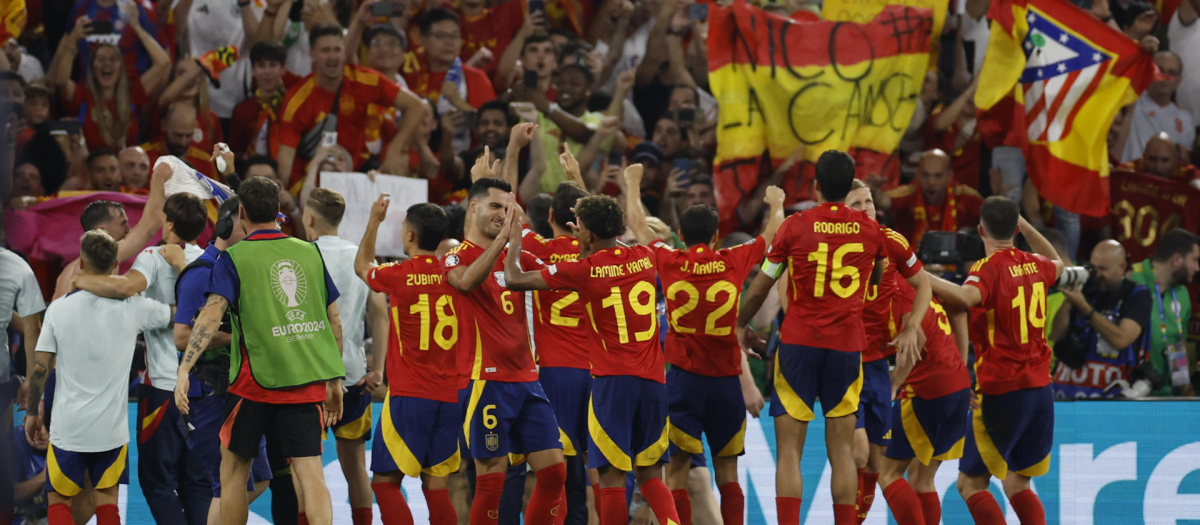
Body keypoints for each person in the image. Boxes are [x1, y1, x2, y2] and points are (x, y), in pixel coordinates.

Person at [736, 150, 920, 525]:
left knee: (789, 451)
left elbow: (761, 286)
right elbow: (881, 268)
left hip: (799, 346)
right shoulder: (871, 230)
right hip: (846, 349)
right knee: (842, 452)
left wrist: (740, 325)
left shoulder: (794, 226)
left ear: (816, 186)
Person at [501, 179, 682, 525]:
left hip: (613, 384)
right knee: (651, 478)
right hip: (655, 383)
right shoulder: (645, 257)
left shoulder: (582, 270)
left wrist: (513, 241)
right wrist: (588, 240)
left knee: (610, 480)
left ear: (589, 234)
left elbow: (513, 278)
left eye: (580, 228)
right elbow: (608, 258)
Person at [174, 176, 346, 525]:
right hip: (305, 381)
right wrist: (335, 381)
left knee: (234, 470)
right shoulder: (309, 252)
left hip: (255, 385)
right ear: (279, 211)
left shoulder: (233, 258)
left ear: (241, 214)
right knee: (311, 474)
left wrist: (183, 369)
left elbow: (210, 315)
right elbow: (334, 321)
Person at [624, 162, 785, 525]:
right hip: (726, 382)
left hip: (683, 381)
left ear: (679, 232)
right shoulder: (734, 259)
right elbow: (772, 234)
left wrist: (632, 184)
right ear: (716, 237)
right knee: (728, 474)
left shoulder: (668, 259)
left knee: (678, 470)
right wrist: (775, 203)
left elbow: (636, 225)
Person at [70, 192, 211, 525]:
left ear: (170, 223)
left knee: (158, 482)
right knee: (197, 483)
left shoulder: (153, 257)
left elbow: (126, 287)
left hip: (162, 389)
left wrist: (84, 280)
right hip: (203, 389)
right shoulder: (208, 260)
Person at [926, 196, 1065, 525]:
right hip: (1040, 391)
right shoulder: (1036, 264)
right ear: (1017, 229)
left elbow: (964, 297)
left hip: (1003, 390)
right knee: (1018, 482)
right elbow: (1056, 260)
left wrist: (916, 271)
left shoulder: (986, 270)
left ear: (980, 230)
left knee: (970, 484)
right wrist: (1023, 224)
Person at [24, 229, 174, 525]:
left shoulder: (59, 309)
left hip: (68, 428)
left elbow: (41, 368)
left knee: (59, 501)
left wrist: (32, 412)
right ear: (116, 264)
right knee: (106, 502)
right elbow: (177, 315)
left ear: (80, 263)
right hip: (111, 430)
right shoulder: (135, 308)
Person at [442, 177, 567, 525]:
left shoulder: (520, 257)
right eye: (495, 206)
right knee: (492, 478)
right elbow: (465, 282)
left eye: (508, 207)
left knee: (555, 471)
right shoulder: (456, 255)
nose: (502, 213)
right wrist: (502, 241)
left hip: (528, 380)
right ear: (474, 207)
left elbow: (566, 269)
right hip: (486, 382)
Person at [355, 196, 461, 525]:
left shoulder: (398, 274)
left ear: (411, 236)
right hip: (450, 396)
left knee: (385, 484)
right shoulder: (457, 275)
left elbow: (362, 266)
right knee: (437, 486)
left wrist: (374, 220)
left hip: (409, 397)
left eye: (402, 229)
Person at [172, 193, 276, 525]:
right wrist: (240, 340)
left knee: (260, 478)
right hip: (207, 395)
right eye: (247, 227)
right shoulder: (201, 273)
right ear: (228, 224)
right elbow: (183, 335)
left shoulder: (239, 267)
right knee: (225, 487)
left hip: (234, 392)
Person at [842, 179, 933, 522]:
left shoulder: (892, 241)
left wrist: (912, 327)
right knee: (859, 453)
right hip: (845, 362)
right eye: (857, 203)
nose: (866, 208)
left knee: (877, 464)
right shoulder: (833, 245)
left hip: (878, 364)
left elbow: (922, 283)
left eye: (868, 201)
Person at [302, 188, 389, 525]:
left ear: (309, 218)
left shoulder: (300, 255)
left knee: (305, 469)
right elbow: (380, 315)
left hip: (307, 377)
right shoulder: (362, 259)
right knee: (355, 470)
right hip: (353, 374)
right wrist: (377, 368)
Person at [514, 179, 594, 525]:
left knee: (558, 465)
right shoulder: (601, 254)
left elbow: (511, 212)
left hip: (555, 372)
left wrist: (512, 152)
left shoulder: (539, 250)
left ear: (550, 215)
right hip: (596, 370)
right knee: (598, 468)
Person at [277, 23, 426, 186]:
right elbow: (286, 160)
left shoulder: (363, 79)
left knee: (397, 169)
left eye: (337, 49)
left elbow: (417, 106)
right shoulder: (297, 99)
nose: (332, 56)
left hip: (358, 172)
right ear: (312, 54)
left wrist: (394, 151)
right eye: (325, 50)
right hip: (313, 178)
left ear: (344, 52)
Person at [877, 299, 972, 525]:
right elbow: (960, 313)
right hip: (956, 385)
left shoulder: (897, 287)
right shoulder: (927, 288)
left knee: (886, 471)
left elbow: (918, 338)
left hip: (927, 389)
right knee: (921, 479)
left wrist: (894, 382)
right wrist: (957, 371)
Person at [51, 163, 169, 301]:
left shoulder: (65, 274)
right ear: (102, 231)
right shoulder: (103, 257)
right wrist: (158, 178)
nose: (129, 230)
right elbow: (150, 226)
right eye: (123, 224)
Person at [1049, 240, 1152, 398]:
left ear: (1122, 267)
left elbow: (1121, 339)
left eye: (1103, 269)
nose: (1097, 274)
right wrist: (1069, 301)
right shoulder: (1087, 289)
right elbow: (1055, 335)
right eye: (1093, 267)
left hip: (1107, 400)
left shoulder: (1137, 295)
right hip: (1065, 395)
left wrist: (1084, 307)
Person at [48, 29, 170, 152]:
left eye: (113, 59)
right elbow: (61, 81)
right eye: (100, 59)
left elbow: (163, 63)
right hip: (91, 168)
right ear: (92, 68)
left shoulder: (132, 94)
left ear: (121, 67)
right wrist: (72, 39)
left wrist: (136, 27)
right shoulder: (83, 95)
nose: (107, 64)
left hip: (127, 168)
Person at [1129, 229, 1200, 396]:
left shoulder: (1182, 295)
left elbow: (1177, 345)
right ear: (1176, 259)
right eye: (1195, 260)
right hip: (1129, 395)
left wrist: (1185, 391)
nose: (1198, 268)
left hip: (1166, 397)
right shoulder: (1132, 278)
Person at [880, 149, 983, 248]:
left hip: (957, 263)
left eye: (938, 176)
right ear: (917, 174)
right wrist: (874, 191)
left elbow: (991, 220)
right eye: (926, 175)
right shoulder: (909, 192)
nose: (931, 182)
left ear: (950, 176)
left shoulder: (966, 196)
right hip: (911, 262)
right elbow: (883, 202)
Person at [400, 9, 496, 107]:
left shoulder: (476, 78)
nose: (449, 42)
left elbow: (488, 121)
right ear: (423, 40)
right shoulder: (410, 81)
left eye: (454, 36)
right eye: (441, 36)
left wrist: (457, 100)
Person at [1120, 52, 1196, 163]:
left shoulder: (1186, 119)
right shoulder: (1130, 101)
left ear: (1179, 79)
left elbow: (1183, 162)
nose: (1165, 76)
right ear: (1148, 71)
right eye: (1160, 70)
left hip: (1164, 179)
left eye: (1172, 72)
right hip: (1129, 176)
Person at [229, 41, 299, 159]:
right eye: (261, 66)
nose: (267, 72)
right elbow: (235, 152)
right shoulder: (242, 111)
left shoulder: (293, 107)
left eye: (273, 65)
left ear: (283, 69)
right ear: (253, 70)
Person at [141, 102, 216, 178]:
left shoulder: (205, 163)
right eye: (177, 135)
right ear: (163, 125)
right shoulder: (142, 158)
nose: (183, 142)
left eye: (189, 135)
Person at [1116, 132, 1200, 184]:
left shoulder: (1189, 174)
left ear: (1176, 160)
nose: (1158, 167)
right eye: (1152, 159)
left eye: (1165, 160)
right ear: (1144, 157)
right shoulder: (1129, 170)